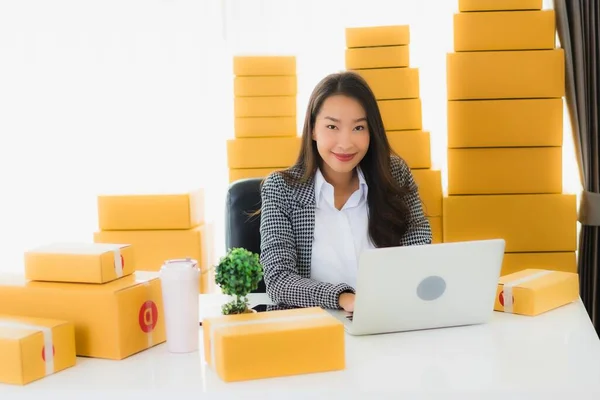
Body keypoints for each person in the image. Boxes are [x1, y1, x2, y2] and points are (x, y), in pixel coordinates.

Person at [259, 71, 432, 313]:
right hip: (315, 330)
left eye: (359, 127)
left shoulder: (394, 175)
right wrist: (345, 299)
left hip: (389, 323)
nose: (346, 143)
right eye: (332, 126)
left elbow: (419, 255)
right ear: (313, 129)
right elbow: (279, 281)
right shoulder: (282, 189)